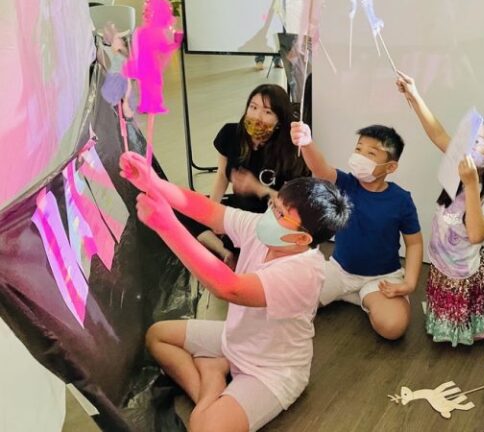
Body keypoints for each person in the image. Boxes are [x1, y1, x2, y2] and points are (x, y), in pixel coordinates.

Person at [119, 151, 351, 432]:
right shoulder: (262, 229)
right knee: (157, 336)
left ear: (302, 238)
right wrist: (154, 183)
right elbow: (209, 211)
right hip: (234, 338)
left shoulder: (304, 272)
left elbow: (228, 287)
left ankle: (211, 380)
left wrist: (167, 226)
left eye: (281, 215)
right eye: (274, 205)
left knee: (203, 428)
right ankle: (211, 384)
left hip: (271, 371)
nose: (271, 214)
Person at [396, 71, 484, 347]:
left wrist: (472, 185)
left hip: (462, 276)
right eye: (473, 139)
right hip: (441, 268)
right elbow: (437, 132)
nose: (470, 147)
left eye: (480, 144)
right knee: (456, 317)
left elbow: (477, 234)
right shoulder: (463, 162)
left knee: (474, 330)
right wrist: (414, 95)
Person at [290, 121, 423, 340]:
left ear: (390, 167)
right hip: (340, 270)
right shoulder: (346, 183)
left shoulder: (401, 200)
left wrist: (409, 282)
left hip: (382, 278)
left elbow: (414, 242)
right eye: (358, 149)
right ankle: (351, 294)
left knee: (393, 328)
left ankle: (365, 296)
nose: (360, 156)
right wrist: (307, 144)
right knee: (292, 301)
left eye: (371, 153)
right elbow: (321, 169)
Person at [196, 84, 309, 267]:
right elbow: (222, 176)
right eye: (253, 107)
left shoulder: (290, 149)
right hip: (236, 210)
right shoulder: (231, 134)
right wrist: (212, 212)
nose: (257, 116)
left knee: (269, 242)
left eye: (267, 112)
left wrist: (257, 188)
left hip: (266, 218)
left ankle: (228, 250)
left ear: (279, 120)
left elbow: (291, 206)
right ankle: (225, 251)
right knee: (186, 212)